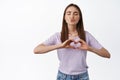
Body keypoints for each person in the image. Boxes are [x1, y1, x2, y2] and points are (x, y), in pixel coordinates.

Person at [33, 3, 111, 80]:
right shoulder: (57, 36)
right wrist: (60, 45)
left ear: (79, 17)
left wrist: (89, 48)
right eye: (69, 13)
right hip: (63, 76)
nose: (72, 16)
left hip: (82, 77)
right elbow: (36, 50)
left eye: (75, 13)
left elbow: (107, 54)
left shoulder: (86, 35)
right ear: (64, 17)